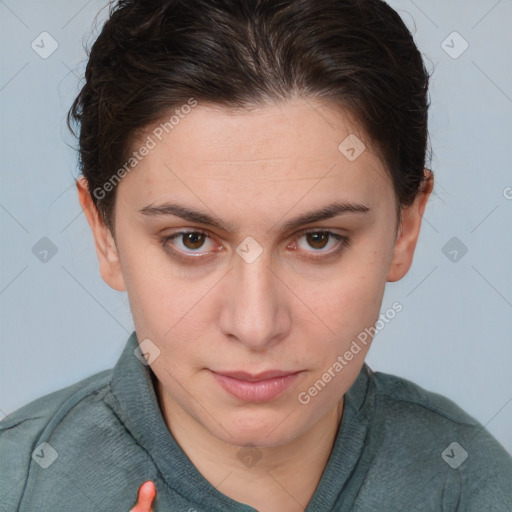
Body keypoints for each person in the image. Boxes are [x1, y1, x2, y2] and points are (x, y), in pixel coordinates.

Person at [1, 0, 511, 511]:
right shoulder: (19, 486)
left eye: (318, 239)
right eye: (192, 240)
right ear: (103, 234)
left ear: (406, 228)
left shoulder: (473, 484)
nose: (255, 325)